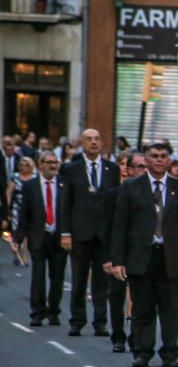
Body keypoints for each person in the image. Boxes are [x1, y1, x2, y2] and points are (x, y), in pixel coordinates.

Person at [110, 143, 178, 367]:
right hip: (141, 255)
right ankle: (142, 351)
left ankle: (170, 353)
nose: (159, 160)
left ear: (169, 160)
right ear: (146, 160)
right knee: (143, 307)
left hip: (170, 256)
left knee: (170, 308)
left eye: (163, 156)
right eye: (154, 156)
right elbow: (120, 226)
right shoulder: (131, 187)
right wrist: (118, 260)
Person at [60, 129, 121, 337]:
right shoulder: (71, 169)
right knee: (78, 278)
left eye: (96, 139)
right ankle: (77, 320)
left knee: (102, 282)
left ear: (101, 143)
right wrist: (65, 232)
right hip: (80, 233)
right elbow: (65, 202)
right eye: (89, 140)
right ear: (82, 144)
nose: (93, 143)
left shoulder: (111, 169)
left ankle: (100, 321)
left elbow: (115, 203)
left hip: (103, 234)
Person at [13, 151, 67, 326]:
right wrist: (18, 238)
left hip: (58, 236)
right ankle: (37, 312)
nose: (53, 165)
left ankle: (54, 311)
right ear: (40, 165)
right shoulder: (31, 186)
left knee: (57, 276)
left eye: (55, 162)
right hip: (38, 235)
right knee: (38, 274)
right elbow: (24, 214)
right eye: (49, 162)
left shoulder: (63, 184)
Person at [104, 151, 147, 352]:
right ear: (129, 170)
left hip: (142, 253)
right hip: (119, 253)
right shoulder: (114, 194)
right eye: (139, 167)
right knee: (117, 295)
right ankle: (118, 335)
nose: (143, 171)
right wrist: (109, 257)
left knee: (141, 297)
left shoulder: (152, 194)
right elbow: (106, 228)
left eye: (145, 167)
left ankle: (137, 336)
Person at [7, 155, 36, 266]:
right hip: (17, 207)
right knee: (16, 232)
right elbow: (9, 193)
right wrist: (7, 210)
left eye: (25, 165)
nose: (22, 167)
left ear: (30, 166)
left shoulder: (35, 177)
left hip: (31, 207)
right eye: (21, 165)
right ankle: (16, 254)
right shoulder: (15, 177)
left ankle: (25, 256)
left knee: (27, 234)